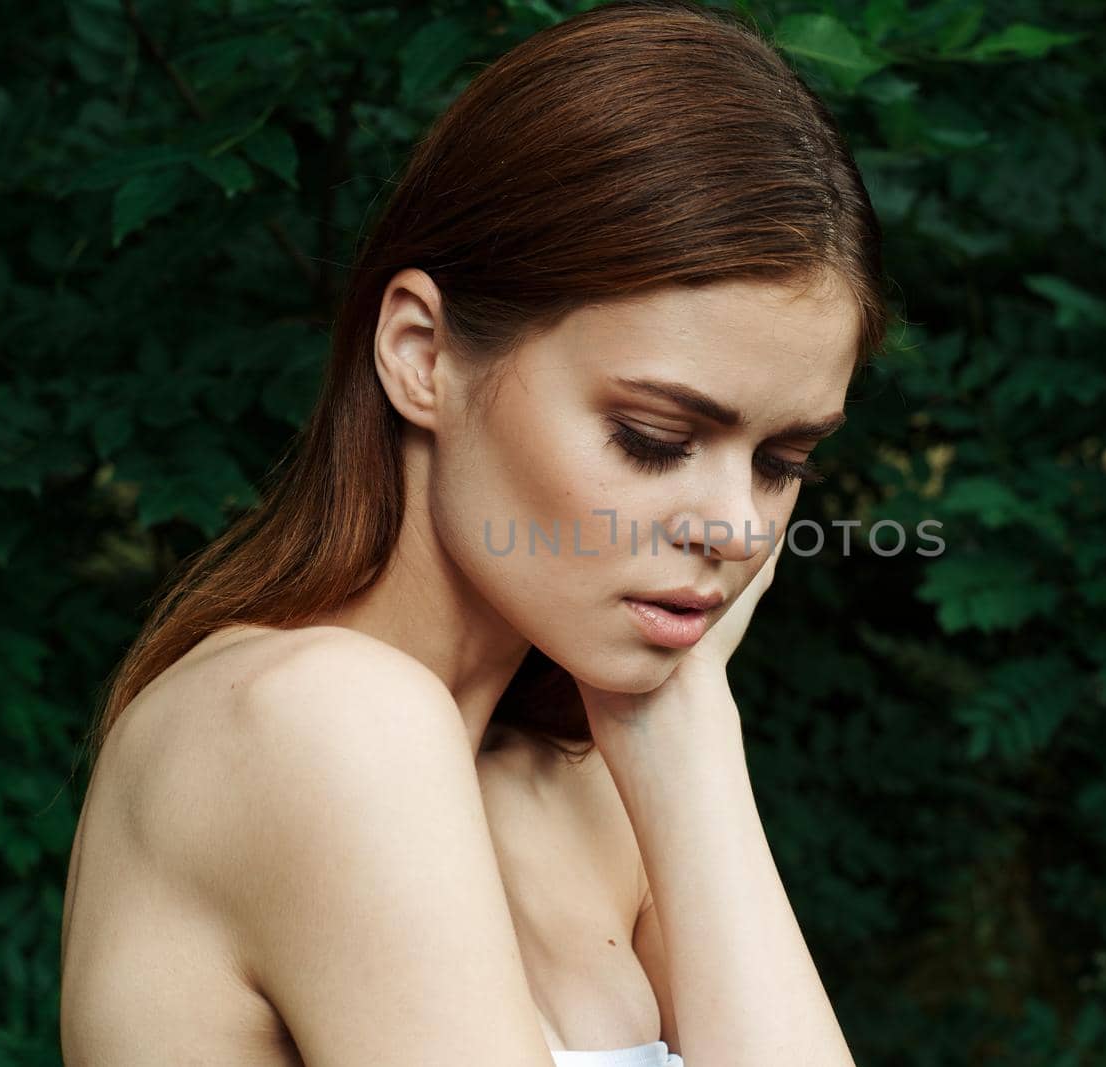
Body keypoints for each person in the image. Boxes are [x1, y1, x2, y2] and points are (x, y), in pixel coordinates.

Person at [58, 0, 890, 1063]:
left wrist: (681, 724)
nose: (737, 525)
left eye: (783, 461)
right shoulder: (314, 719)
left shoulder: (587, 786)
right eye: (651, 436)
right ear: (420, 353)